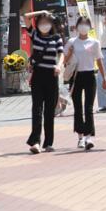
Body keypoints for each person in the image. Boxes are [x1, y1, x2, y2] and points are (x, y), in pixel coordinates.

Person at [24, 10, 64, 154]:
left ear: (52, 23)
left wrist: (59, 66)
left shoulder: (57, 38)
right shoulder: (35, 35)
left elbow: (61, 54)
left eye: (47, 22)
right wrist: (42, 12)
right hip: (38, 75)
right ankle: (35, 142)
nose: (44, 25)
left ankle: (48, 143)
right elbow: (26, 17)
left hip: (52, 75)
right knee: (37, 109)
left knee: (49, 111)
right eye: (41, 22)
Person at [64, 17, 106, 150]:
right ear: (76, 27)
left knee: (88, 108)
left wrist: (104, 79)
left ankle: (89, 137)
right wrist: (70, 53)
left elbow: (99, 61)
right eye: (81, 24)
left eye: (86, 24)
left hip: (89, 75)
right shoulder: (72, 42)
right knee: (78, 108)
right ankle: (80, 137)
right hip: (76, 77)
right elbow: (65, 60)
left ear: (90, 26)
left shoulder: (94, 42)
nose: (83, 27)